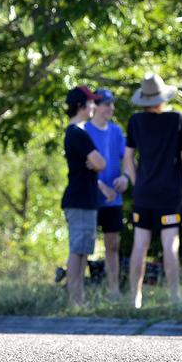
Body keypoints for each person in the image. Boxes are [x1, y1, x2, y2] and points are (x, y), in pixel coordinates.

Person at [124, 73, 182, 308]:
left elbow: (127, 157)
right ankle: (175, 296)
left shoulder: (135, 121)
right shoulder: (177, 120)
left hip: (144, 193)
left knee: (140, 244)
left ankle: (136, 297)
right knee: (169, 243)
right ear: (162, 97)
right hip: (170, 194)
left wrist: (137, 183)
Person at [62, 86, 108, 306]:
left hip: (85, 200)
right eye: (91, 103)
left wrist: (96, 164)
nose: (94, 106)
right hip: (79, 200)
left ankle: (79, 299)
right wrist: (96, 163)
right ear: (80, 106)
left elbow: (98, 164)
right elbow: (100, 162)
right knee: (77, 251)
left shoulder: (79, 132)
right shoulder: (77, 133)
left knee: (83, 253)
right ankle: (75, 300)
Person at [84, 88, 129, 299]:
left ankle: (114, 290)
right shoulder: (84, 131)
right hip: (91, 198)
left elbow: (128, 161)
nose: (110, 107)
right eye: (106, 104)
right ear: (96, 106)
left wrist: (125, 178)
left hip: (113, 200)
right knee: (83, 246)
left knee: (113, 245)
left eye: (112, 104)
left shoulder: (117, 131)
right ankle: (79, 292)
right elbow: (82, 167)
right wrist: (101, 187)